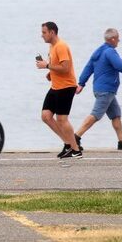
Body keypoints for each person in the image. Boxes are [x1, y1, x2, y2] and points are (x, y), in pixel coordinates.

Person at [74, 28, 122, 150]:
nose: (119, 41)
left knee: (116, 114)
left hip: (103, 89)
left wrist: (81, 83)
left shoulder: (99, 51)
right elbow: (120, 66)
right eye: (118, 38)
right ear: (112, 39)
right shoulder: (110, 52)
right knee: (95, 115)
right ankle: (75, 138)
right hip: (105, 90)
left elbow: (88, 67)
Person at [36, 22, 82, 159]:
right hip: (56, 86)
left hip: (66, 87)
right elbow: (58, 66)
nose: (42, 35)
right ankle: (68, 143)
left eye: (44, 32)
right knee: (46, 116)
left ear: (52, 32)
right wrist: (50, 72)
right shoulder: (52, 47)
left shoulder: (61, 46)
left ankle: (76, 150)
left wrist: (47, 65)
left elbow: (66, 68)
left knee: (62, 119)